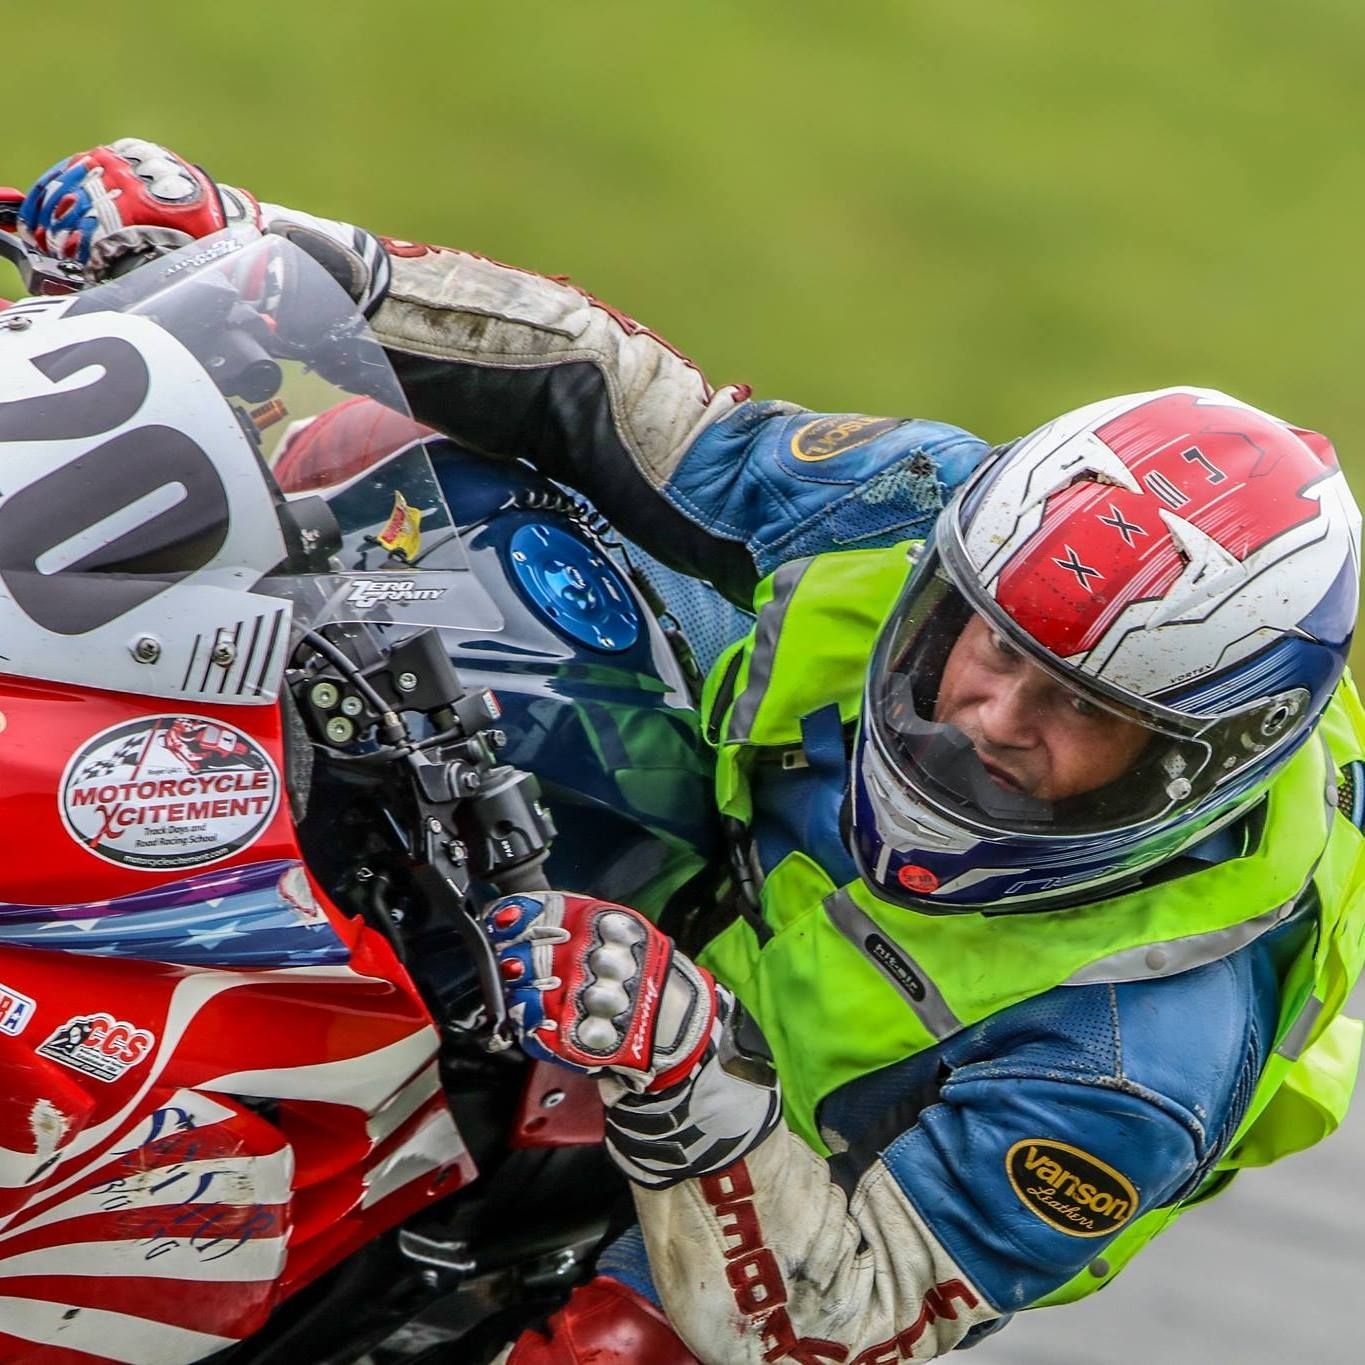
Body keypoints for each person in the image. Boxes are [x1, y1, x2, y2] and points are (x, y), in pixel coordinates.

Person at [18, 140, 1365, 1364]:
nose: (990, 716)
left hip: (805, 1154)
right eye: (984, 643)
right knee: (401, 475)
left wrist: (691, 1075)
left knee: (620, 1349)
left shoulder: (1135, 1063)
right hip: (748, 824)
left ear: (1196, 763)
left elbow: (855, 1312)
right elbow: (632, 402)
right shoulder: (929, 507)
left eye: (1079, 711)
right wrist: (280, 257)